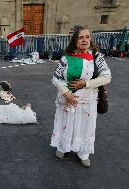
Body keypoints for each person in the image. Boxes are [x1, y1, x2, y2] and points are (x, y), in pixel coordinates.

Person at [51, 25, 111, 167]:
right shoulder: (66, 58)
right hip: (66, 100)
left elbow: (107, 77)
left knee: (85, 127)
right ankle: (62, 147)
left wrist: (85, 83)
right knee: (65, 124)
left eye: (87, 37)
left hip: (87, 102)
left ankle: (83, 153)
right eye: (81, 37)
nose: (85, 40)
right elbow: (56, 78)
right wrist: (66, 93)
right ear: (75, 41)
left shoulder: (97, 57)